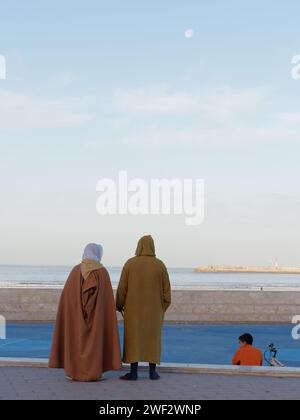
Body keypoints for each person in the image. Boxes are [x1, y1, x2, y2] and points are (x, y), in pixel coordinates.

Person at [49, 243, 122, 381]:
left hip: (75, 315)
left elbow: (68, 297)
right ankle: (94, 372)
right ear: (98, 254)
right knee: (95, 340)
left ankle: (74, 371)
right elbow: (105, 300)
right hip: (97, 317)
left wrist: (77, 309)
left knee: (75, 339)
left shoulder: (75, 271)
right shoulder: (102, 272)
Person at [116, 235, 171, 381]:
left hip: (133, 311)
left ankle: (133, 373)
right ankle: (152, 373)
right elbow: (167, 293)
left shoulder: (130, 264)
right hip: (154, 312)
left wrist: (119, 305)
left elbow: (122, 288)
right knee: (152, 340)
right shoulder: (160, 265)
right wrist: (161, 308)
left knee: (133, 339)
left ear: (139, 246)